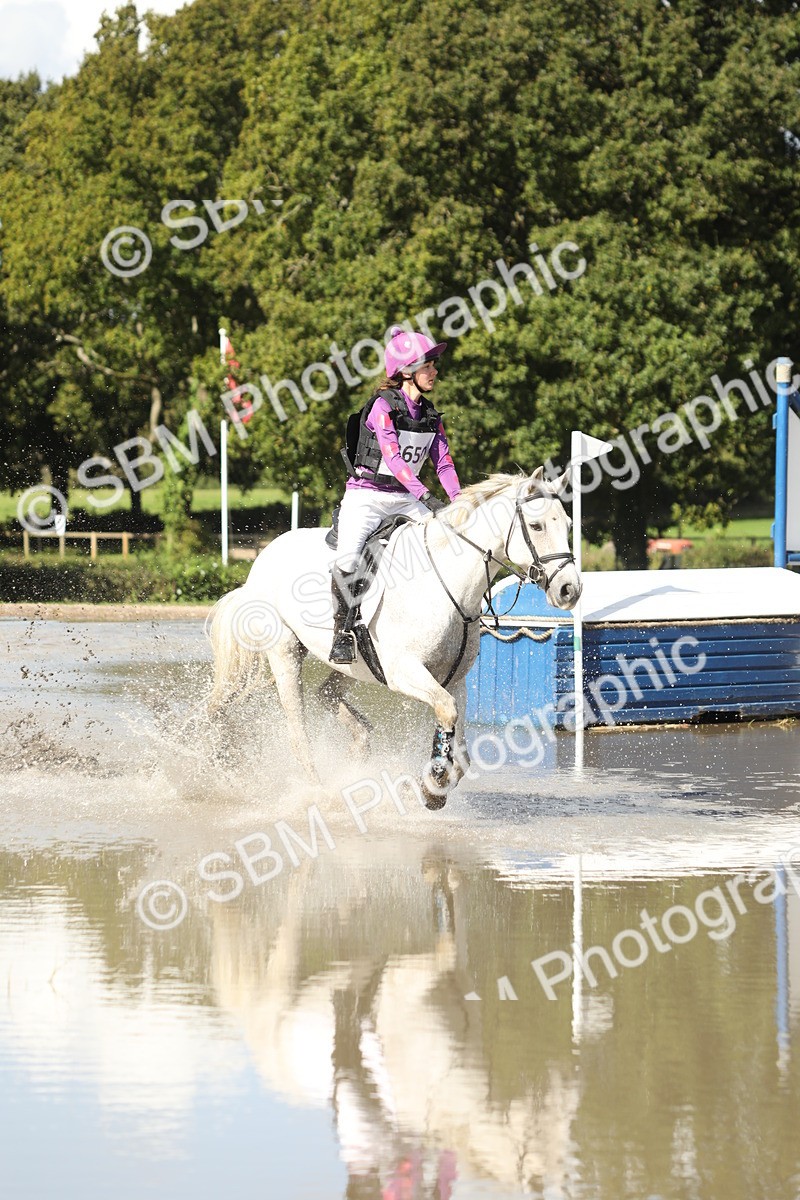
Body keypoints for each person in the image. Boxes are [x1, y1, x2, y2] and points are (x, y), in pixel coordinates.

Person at [329, 326, 462, 664]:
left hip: (406, 497)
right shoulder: (382, 407)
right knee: (347, 561)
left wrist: (460, 505)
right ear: (406, 372)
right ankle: (342, 632)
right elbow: (394, 459)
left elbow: (444, 464)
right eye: (427, 365)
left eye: (433, 364)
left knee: (450, 545)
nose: (434, 371)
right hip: (367, 497)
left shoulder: (431, 416)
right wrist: (428, 498)